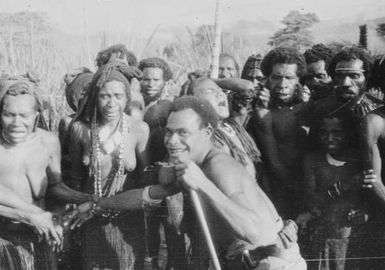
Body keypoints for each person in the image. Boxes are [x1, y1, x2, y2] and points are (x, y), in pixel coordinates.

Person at [0, 75, 94, 270]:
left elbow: (55, 186)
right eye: (9, 114)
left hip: (40, 237)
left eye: (24, 115)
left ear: (36, 115)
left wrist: (89, 198)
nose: (17, 122)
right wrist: (31, 216)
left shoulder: (48, 142)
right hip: (4, 239)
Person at [67, 61, 149, 270]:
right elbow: (75, 180)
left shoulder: (139, 129)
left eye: (118, 96)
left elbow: (146, 179)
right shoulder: (79, 130)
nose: (111, 103)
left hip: (128, 220)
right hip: (90, 217)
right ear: (95, 97)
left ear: (127, 98)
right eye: (104, 96)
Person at [297, 100, 371, 270]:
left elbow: (371, 201)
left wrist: (365, 215)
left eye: (337, 133)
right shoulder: (313, 161)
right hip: (325, 240)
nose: (329, 138)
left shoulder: (360, 160)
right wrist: (344, 186)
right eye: (324, 132)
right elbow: (312, 203)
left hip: (355, 242)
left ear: (349, 133)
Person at [247, 47, 308, 219]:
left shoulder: (307, 108)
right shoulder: (260, 111)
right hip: (274, 190)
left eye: (289, 78)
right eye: (276, 77)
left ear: (298, 79)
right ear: (267, 78)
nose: (282, 85)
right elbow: (273, 162)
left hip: (306, 187)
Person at [138, 57, 186, 270]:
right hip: (142, 174)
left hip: (166, 171)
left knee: (173, 227)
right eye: (146, 79)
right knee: (147, 232)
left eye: (156, 80)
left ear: (165, 81)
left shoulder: (169, 106)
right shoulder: (134, 104)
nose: (150, 84)